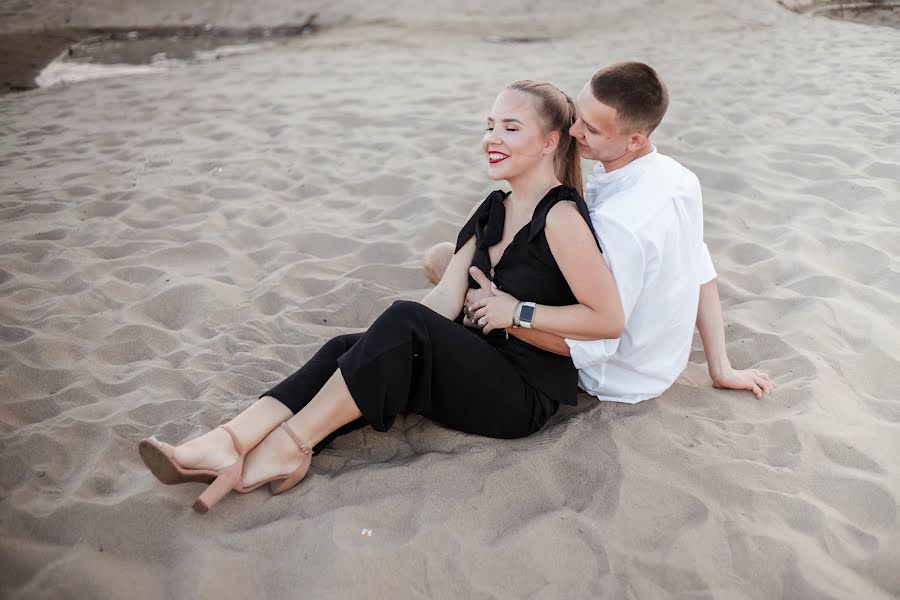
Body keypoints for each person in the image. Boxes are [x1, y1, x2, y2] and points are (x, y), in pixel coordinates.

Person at [138, 80, 626, 514]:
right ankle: (229, 441)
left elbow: (608, 319)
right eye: (489, 125)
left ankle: (292, 443)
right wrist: (379, 347)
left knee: (401, 324)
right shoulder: (495, 208)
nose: (492, 138)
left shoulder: (560, 217)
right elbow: (440, 303)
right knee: (346, 348)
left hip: (522, 395)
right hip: (476, 362)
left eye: (510, 128)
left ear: (549, 141)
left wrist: (516, 312)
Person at [424, 62, 773, 403]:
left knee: (448, 266)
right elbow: (701, 272)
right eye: (578, 117)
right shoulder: (680, 178)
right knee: (451, 257)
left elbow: (597, 339)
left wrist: (508, 314)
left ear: (635, 139)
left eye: (590, 129)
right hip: (663, 364)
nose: (573, 132)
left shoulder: (615, 223)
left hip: (611, 375)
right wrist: (721, 368)